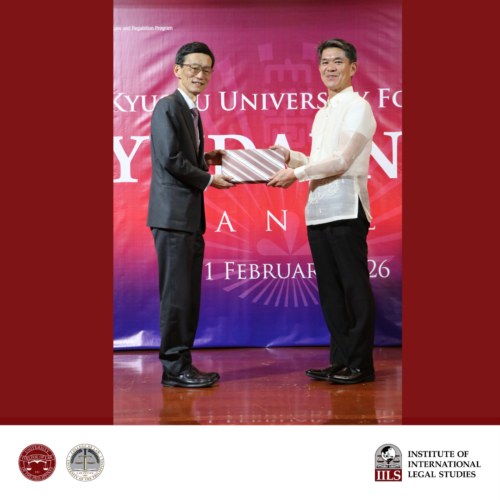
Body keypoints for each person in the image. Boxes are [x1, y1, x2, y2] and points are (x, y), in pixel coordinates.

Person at [268, 39, 377, 385]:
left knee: (354, 288)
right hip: (317, 211)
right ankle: (341, 360)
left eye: (338, 61)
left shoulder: (358, 107)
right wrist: (291, 157)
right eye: (325, 62)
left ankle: (361, 365)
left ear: (353, 67)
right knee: (331, 291)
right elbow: (319, 161)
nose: (330, 67)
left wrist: (296, 173)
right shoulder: (322, 112)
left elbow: (342, 161)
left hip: (346, 209)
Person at [147, 42, 235, 388]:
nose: (200, 74)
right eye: (194, 68)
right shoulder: (168, 107)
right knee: (176, 296)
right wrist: (209, 179)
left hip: (187, 218)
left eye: (206, 69)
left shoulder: (192, 111)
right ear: (177, 70)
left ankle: (182, 365)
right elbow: (170, 159)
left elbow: (182, 157)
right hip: (173, 218)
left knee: (186, 295)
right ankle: (174, 367)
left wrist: (205, 159)